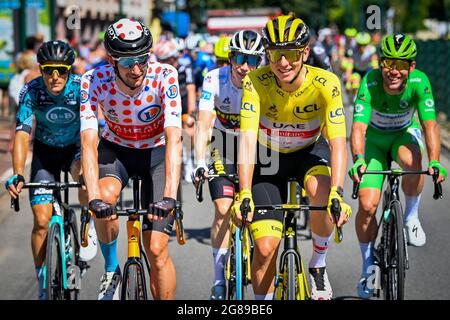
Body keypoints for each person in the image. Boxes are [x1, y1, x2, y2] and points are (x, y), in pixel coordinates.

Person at [232, 15, 352, 300]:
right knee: (264, 249)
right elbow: (247, 139)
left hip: (308, 152)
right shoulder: (255, 82)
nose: (283, 63)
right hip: (267, 158)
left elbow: (337, 142)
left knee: (323, 197)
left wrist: (338, 191)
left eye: (290, 54)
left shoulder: (327, 83)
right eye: (275, 54)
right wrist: (244, 192)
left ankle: (318, 264)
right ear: (267, 54)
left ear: (305, 53)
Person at [80, 18, 182, 300]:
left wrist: (170, 197)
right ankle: (112, 269)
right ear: (112, 60)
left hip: (157, 153)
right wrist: (93, 198)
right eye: (127, 62)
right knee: (106, 196)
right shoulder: (93, 80)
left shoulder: (165, 75)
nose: (136, 69)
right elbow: (88, 143)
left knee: (158, 250)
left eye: (142, 59)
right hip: (118, 151)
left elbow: (174, 137)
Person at [348, 33, 447, 299]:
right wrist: (358, 159)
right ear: (380, 62)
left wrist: (436, 161)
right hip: (375, 142)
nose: (393, 70)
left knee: (414, 161)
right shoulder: (369, 81)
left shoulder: (419, 81)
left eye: (401, 64)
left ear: (411, 67)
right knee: (368, 206)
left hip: (404, 134)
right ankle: (368, 265)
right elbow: (357, 128)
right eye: (388, 63)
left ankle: (411, 217)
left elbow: (429, 125)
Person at [5, 40, 96, 300]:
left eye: (61, 70)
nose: (55, 77)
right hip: (46, 152)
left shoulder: (82, 89)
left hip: (76, 148)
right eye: (48, 70)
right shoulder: (31, 92)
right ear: (40, 69)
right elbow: (22, 134)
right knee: (41, 221)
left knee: (84, 177)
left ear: (70, 69)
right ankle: (43, 281)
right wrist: (18, 173)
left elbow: (94, 131)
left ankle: (87, 225)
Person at [192, 30, 265, 300]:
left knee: (261, 210)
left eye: (252, 60)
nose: (245, 66)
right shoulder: (214, 78)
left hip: (257, 147)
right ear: (230, 58)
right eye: (239, 58)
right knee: (223, 209)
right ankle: (219, 278)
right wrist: (199, 161)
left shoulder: (264, 82)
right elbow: (204, 122)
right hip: (222, 144)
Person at [153, 39, 197, 182]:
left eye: (166, 59)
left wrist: (191, 114)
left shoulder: (185, 66)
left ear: (173, 57)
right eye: (161, 59)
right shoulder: (155, 67)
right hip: (164, 105)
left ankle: (189, 161)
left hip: (182, 102)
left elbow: (191, 89)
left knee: (189, 130)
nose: (163, 62)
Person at [344, 32, 378, 100]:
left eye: (364, 45)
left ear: (367, 44)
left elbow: (375, 66)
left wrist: (376, 79)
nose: (362, 47)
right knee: (355, 80)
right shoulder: (352, 51)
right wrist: (348, 82)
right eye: (360, 45)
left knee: (369, 84)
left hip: (367, 70)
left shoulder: (371, 50)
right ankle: (355, 98)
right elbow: (349, 68)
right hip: (357, 70)